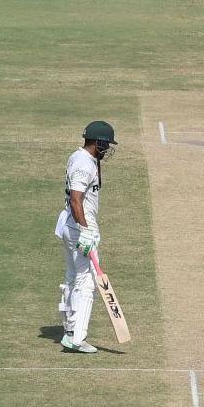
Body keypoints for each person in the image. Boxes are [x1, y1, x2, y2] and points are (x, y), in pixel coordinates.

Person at [54, 120, 118, 353]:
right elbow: (76, 199)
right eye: (106, 144)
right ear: (98, 142)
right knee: (86, 282)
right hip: (80, 230)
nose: (108, 148)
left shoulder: (80, 158)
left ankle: (70, 329)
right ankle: (77, 338)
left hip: (71, 227)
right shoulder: (84, 163)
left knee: (73, 278)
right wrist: (86, 230)